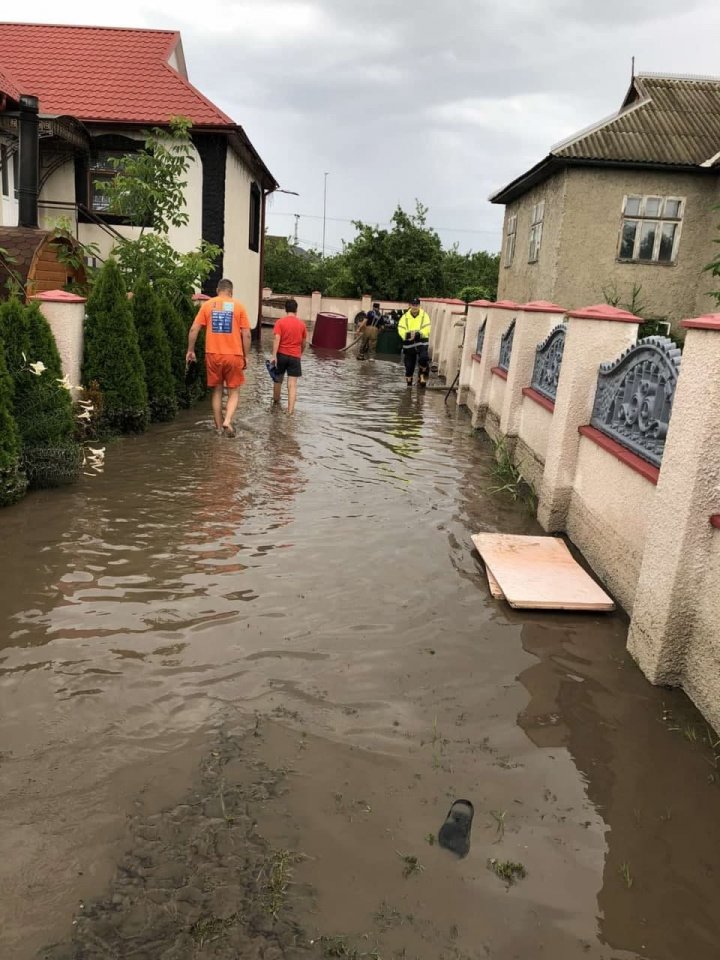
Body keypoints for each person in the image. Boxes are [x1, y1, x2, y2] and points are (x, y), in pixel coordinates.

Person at [186, 278, 251, 438]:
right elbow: (247, 334)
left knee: (216, 391)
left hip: (212, 354)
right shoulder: (239, 306)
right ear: (231, 291)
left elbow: (194, 328)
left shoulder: (208, 305)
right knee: (234, 392)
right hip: (234, 355)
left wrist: (190, 350)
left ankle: (218, 428)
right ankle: (227, 420)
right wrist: (246, 356)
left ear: (217, 290)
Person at [271, 298, 308, 415]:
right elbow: (304, 343)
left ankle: (275, 405)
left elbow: (277, 338)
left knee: (278, 380)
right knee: (292, 384)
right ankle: (290, 411)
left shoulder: (280, 322)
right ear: (296, 309)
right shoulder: (302, 324)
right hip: (295, 356)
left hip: (281, 354)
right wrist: (299, 353)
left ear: (285, 309)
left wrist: (274, 356)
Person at [398, 297, 432, 387]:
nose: (415, 307)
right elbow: (401, 328)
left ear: (419, 306)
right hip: (409, 343)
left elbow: (427, 328)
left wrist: (419, 334)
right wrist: (406, 335)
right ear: (410, 305)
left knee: (424, 358)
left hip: (421, 341)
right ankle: (409, 386)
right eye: (413, 305)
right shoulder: (405, 317)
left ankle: (421, 376)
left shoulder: (424, 315)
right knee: (409, 366)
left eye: (416, 305)